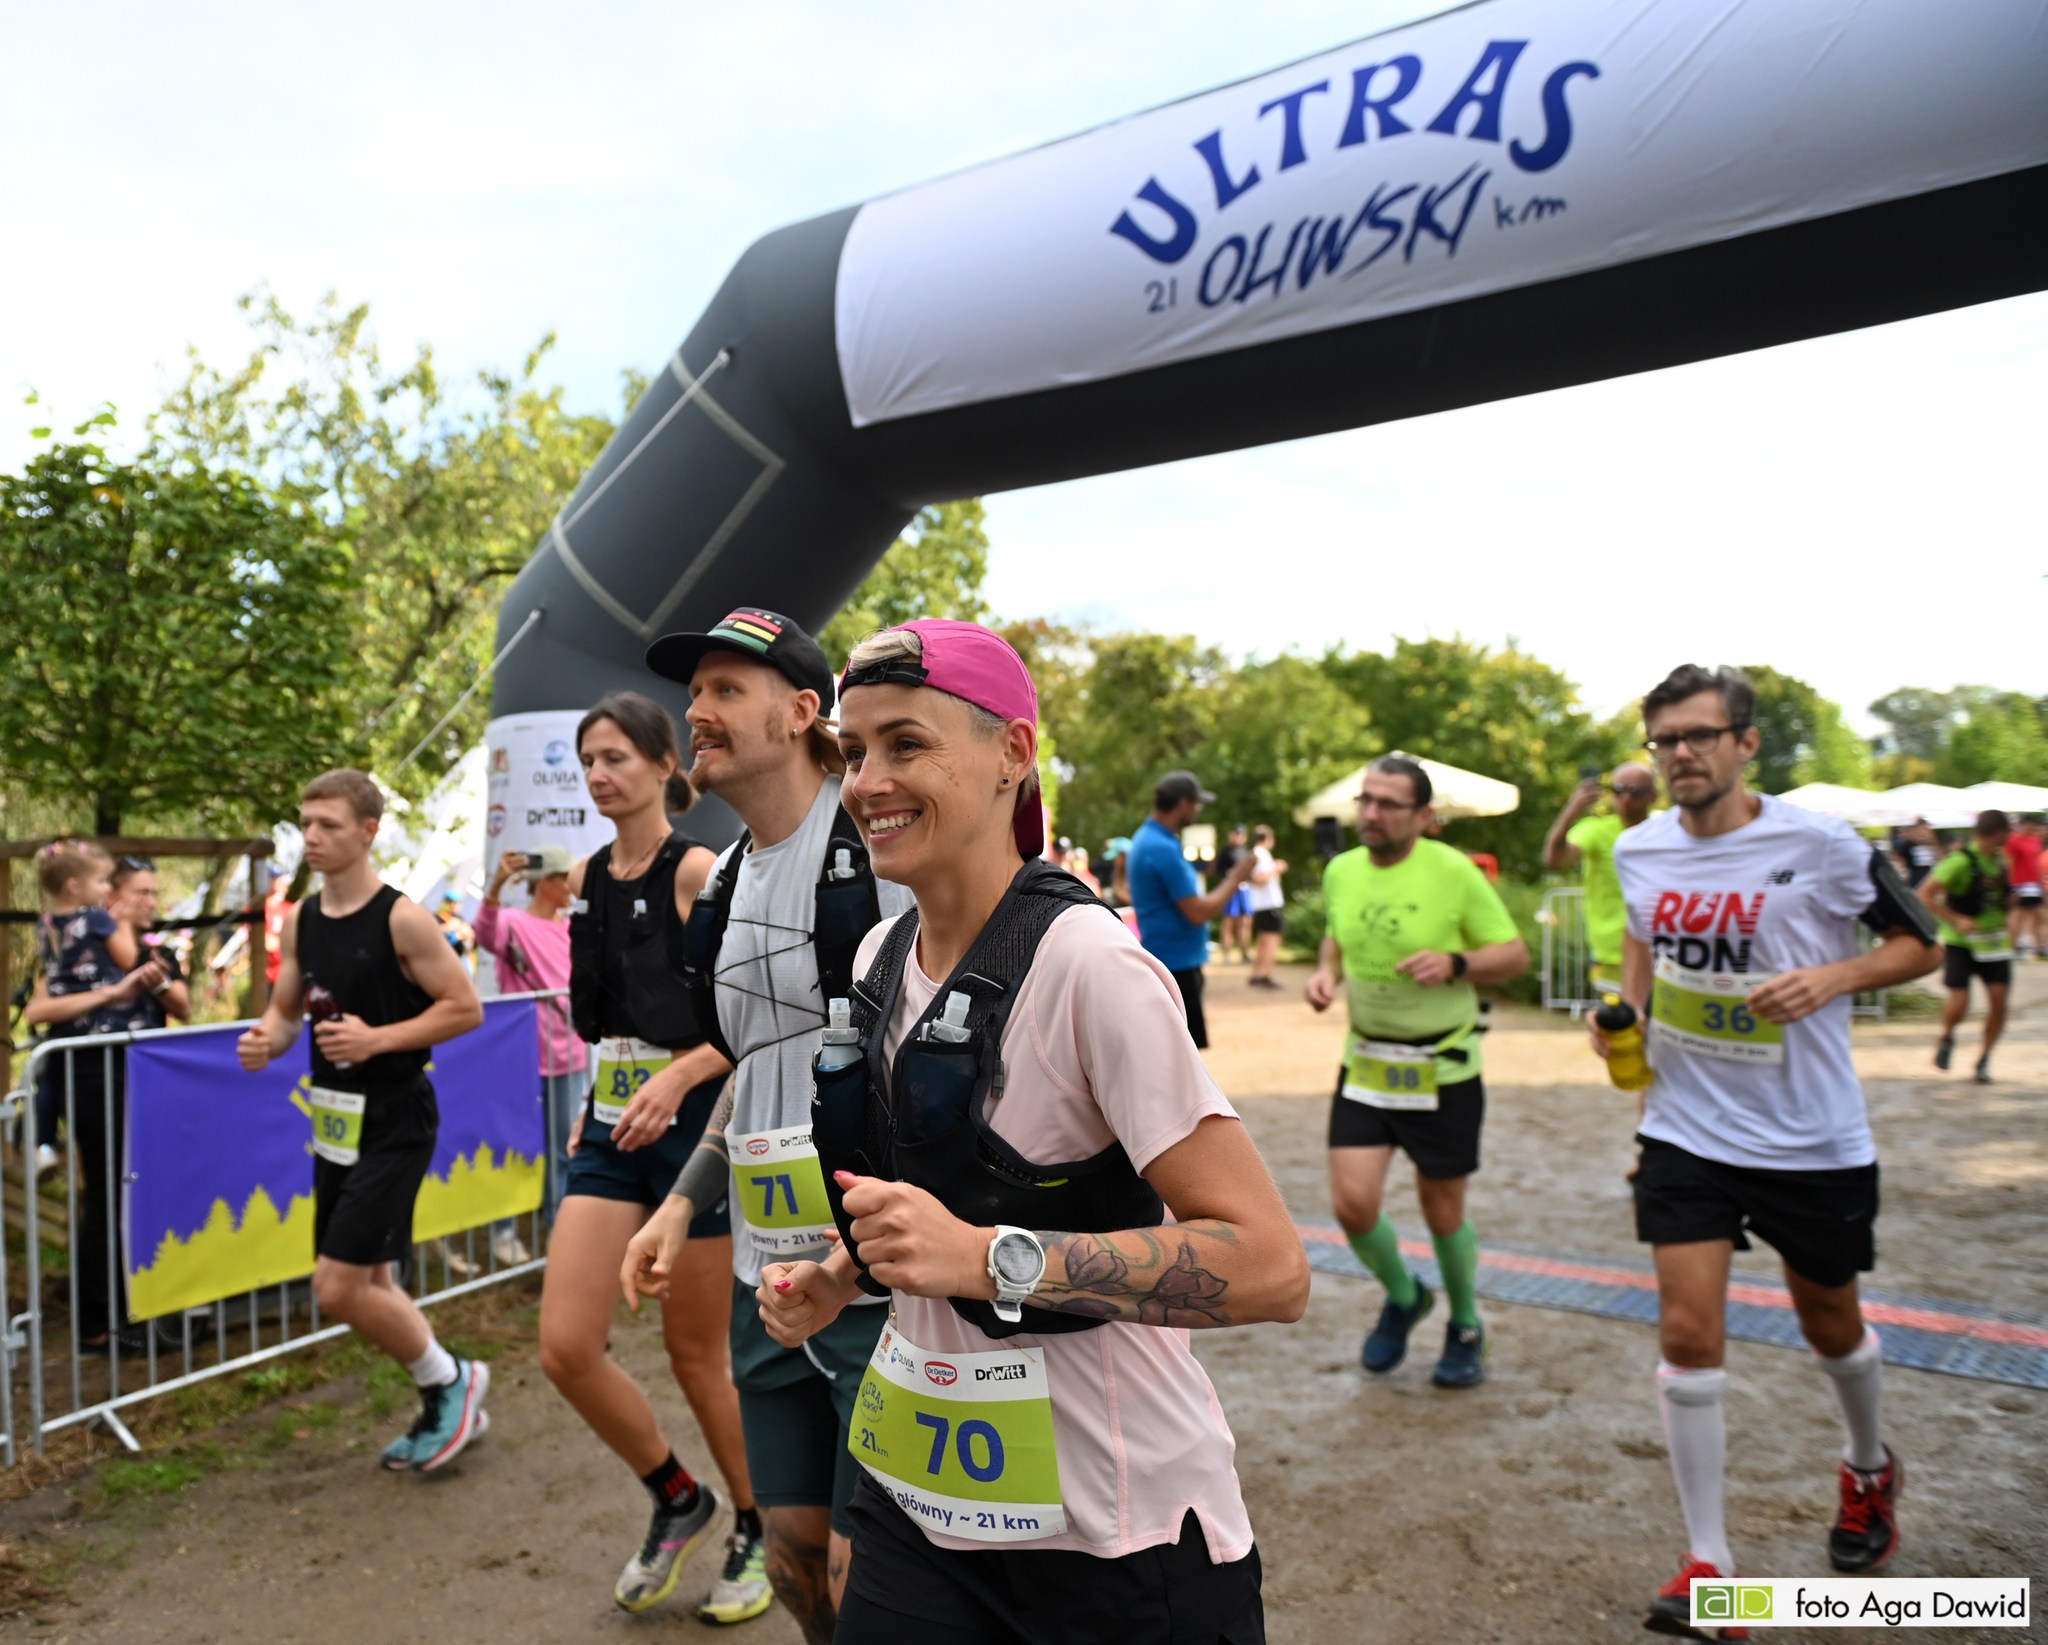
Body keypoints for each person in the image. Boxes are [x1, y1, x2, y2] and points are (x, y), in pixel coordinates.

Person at [756, 618, 1307, 1645]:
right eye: (855, 750)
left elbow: (1272, 1267)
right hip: (919, 1503)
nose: (869, 781)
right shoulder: (879, 955)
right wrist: (839, 1273)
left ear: (1012, 752)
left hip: (1113, 1531)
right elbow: (936, 1196)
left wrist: (988, 1260)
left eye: (907, 744)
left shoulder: (1091, 967)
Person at [1596, 665, 1939, 1633]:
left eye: (1699, 735)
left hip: (1809, 1137)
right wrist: (1626, 1016)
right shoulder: (1637, 847)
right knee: (1685, 1329)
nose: (1680, 754)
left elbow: (1922, 945)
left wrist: (1833, 976)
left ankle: (1867, 1468)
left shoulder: (1820, 843)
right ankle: (1710, 1566)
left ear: (1745, 743)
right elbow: (1641, 944)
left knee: (1829, 1322)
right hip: (1685, 1129)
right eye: (1665, 739)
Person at [621, 607, 914, 1645]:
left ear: (799, 712)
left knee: (868, 1569)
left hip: (874, 1275)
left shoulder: (875, 852)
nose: (695, 712)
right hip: (767, 1273)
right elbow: (756, 1071)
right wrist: (679, 1203)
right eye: (693, 693)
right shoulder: (724, 880)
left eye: (724, 690)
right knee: (793, 1561)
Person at [534, 694, 766, 1623]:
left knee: (695, 1353)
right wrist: (603, 1097)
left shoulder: (697, 869)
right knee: (564, 1347)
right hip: (611, 1126)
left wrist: (679, 1075)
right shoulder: (586, 874)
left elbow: (756, 1017)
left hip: (694, 1128)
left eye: (617, 757)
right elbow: (606, 1023)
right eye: (588, 759)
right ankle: (678, 1495)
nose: (599, 774)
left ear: (666, 764)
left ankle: (758, 1522)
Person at [235, 770, 490, 1472]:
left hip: (396, 1115)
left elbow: (464, 1007)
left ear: (368, 830)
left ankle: (452, 1380)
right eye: (306, 823)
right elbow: (286, 1011)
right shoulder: (303, 918)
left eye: (329, 824)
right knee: (371, 1279)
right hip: (335, 1119)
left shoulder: (401, 917)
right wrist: (264, 1040)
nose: (312, 837)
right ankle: (446, 1396)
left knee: (337, 1287)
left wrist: (376, 1039)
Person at [1305, 756, 1529, 1390]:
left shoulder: (1454, 872)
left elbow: (1514, 954)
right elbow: (1336, 936)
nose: (1371, 813)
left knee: (1442, 1211)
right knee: (1352, 1205)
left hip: (1443, 1067)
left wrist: (1457, 963)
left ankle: (1465, 1323)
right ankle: (1406, 1297)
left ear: (1425, 816)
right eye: (1366, 800)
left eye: (1388, 804)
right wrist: (1326, 973)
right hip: (1369, 1062)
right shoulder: (1342, 870)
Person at [24, 843, 174, 1349]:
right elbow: (40, 1008)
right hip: (96, 1072)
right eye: (111, 886)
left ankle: (124, 1308)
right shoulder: (92, 925)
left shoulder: (56, 928)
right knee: (109, 1194)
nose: (114, 894)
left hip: (118, 1069)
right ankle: (99, 1323)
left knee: (122, 1191)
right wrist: (118, 980)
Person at [474, 843, 586, 1222]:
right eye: (564, 878)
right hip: (523, 1056)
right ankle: (505, 1228)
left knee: (563, 1146)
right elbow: (484, 933)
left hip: (569, 1054)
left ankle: (558, 1227)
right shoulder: (511, 922)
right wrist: (495, 886)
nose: (570, 886)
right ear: (545, 881)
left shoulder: (572, 928)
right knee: (514, 1145)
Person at [1122, 773, 1259, 1047]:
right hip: (1177, 967)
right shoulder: (1161, 847)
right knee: (1181, 1058)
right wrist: (1236, 877)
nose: (1199, 810)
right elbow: (1198, 912)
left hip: (1168, 961)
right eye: (1197, 804)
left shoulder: (1150, 839)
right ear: (1183, 804)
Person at [1543, 761, 1659, 991]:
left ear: (1654, 796)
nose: (1626, 798)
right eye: (1618, 790)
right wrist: (1571, 811)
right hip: (1610, 953)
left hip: (1659, 951)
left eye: (1635, 791)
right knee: (1617, 1014)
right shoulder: (1595, 830)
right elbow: (1554, 859)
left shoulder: (1665, 832)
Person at [1921, 808, 2012, 1085]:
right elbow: (1924, 894)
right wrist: (1955, 919)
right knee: (1960, 1000)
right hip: (1961, 942)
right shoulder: (1959, 861)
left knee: (1999, 1002)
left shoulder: (2000, 861)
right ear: (1999, 833)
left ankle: (1984, 1059)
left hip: (1994, 941)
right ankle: (1947, 1036)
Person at [1245, 824, 1289, 988]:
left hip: (1261, 904)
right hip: (1269, 904)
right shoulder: (1261, 854)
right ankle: (1266, 975)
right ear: (1267, 839)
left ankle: (1257, 974)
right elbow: (1259, 878)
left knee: (1263, 940)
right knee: (1272, 940)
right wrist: (1276, 868)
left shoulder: (1254, 854)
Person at [2004, 815, 2043, 959]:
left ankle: (2039, 946)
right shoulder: (2013, 840)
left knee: (2037, 914)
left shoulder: (2035, 840)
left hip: (2034, 883)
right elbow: (2008, 862)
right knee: (2018, 914)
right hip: (2020, 883)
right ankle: (2014, 946)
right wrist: (2011, 885)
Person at [1215, 824, 1254, 962]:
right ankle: (1226, 954)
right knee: (1229, 922)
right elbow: (1219, 870)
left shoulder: (1246, 852)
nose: (1238, 837)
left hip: (1245, 889)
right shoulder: (1225, 852)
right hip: (1230, 890)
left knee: (1246, 922)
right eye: (1236, 834)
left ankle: (1245, 952)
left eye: (1240, 834)